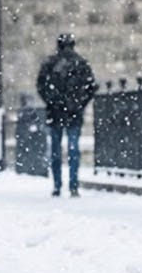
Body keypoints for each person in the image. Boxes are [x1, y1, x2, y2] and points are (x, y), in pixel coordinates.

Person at [36, 34, 97, 198]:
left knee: (56, 150)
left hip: (55, 112)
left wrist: (51, 101)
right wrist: (79, 104)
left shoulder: (50, 63)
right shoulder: (81, 63)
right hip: (73, 112)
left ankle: (57, 185)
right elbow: (91, 87)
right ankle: (73, 185)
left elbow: (40, 86)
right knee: (73, 148)